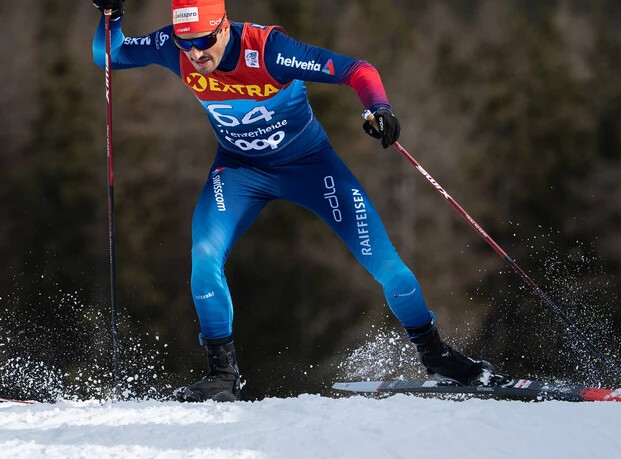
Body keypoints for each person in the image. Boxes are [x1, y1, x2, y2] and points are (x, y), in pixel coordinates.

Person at [91, 0, 496, 402]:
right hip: (239, 171)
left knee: (387, 265)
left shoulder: (269, 51)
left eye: (202, 41)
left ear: (223, 27)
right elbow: (111, 55)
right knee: (204, 255)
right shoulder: (176, 47)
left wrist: (379, 108)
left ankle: (436, 355)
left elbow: (358, 70)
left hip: (310, 167)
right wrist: (113, 17)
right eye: (185, 45)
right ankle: (222, 376)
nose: (195, 54)